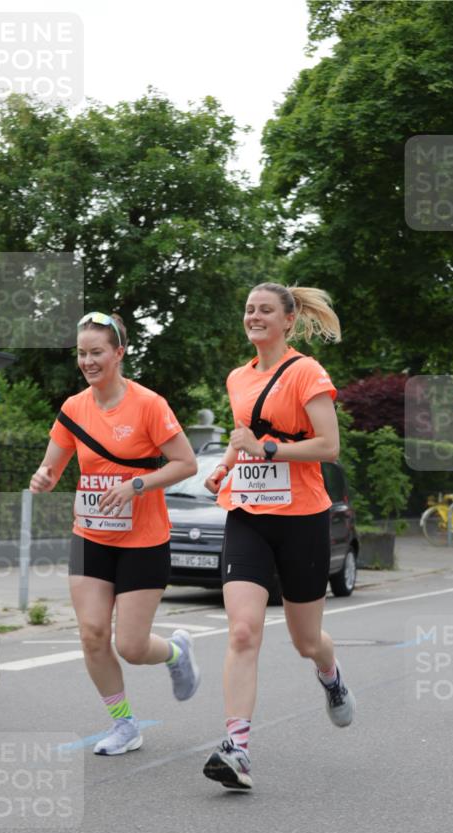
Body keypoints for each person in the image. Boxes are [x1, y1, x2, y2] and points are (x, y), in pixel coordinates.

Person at [202, 283, 355, 791]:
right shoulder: (237, 378)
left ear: (289, 320)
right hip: (247, 512)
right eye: (249, 309)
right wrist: (225, 466)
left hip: (301, 518)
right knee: (243, 630)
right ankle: (237, 749)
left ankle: (330, 674)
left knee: (305, 640)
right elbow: (242, 432)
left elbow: (328, 446)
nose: (254, 316)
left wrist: (267, 450)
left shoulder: (306, 372)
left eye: (265, 309)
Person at [30, 311, 201, 754]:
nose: (87, 361)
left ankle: (177, 652)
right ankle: (125, 724)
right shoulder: (74, 408)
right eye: (82, 353)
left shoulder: (149, 405)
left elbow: (186, 463)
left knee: (131, 645)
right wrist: (44, 477)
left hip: (143, 540)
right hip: (90, 536)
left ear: (119, 353)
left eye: (96, 352)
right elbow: (54, 463)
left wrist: (135, 485)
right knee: (91, 633)